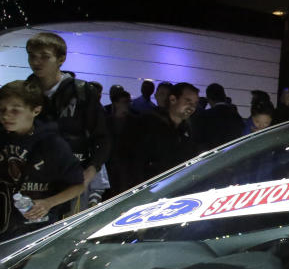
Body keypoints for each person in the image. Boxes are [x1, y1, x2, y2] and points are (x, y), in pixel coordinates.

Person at [24, 32, 110, 208]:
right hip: (34, 180)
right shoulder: (24, 92)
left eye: (44, 57)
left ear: (61, 59)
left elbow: (103, 136)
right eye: (31, 56)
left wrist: (91, 170)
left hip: (72, 178)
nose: (36, 62)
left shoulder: (82, 92)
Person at [0, 81, 84, 241]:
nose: (5, 116)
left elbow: (78, 184)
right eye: (2, 110)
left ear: (36, 110)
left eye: (15, 110)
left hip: (35, 227)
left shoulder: (52, 144)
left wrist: (48, 203)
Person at [129, 82, 200, 184]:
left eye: (195, 103)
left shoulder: (187, 129)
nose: (192, 107)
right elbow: (135, 161)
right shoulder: (148, 122)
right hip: (150, 188)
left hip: (177, 188)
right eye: (188, 101)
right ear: (173, 99)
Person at [194, 83, 244, 150]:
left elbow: (198, 139)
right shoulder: (235, 115)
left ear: (209, 99)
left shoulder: (205, 115)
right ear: (224, 96)